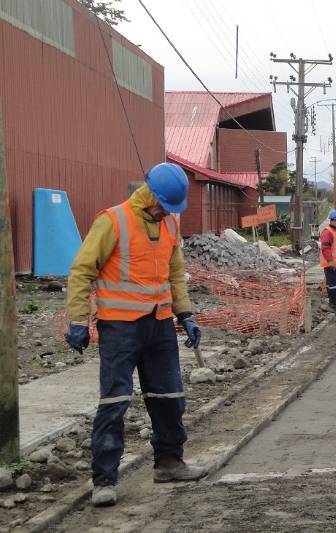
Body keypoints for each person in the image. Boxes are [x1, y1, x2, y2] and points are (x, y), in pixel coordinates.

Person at [65, 163, 207, 507]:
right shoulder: (113, 221)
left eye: (170, 209)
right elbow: (82, 270)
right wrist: (78, 320)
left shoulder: (170, 222)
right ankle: (104, 480)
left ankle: (170, 462)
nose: (165, 213)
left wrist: (185, 314)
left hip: (159, 324)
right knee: (115, 401)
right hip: (120, 328)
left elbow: (175, 273)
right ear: (149, 196)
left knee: (169, 396)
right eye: (162, 207)